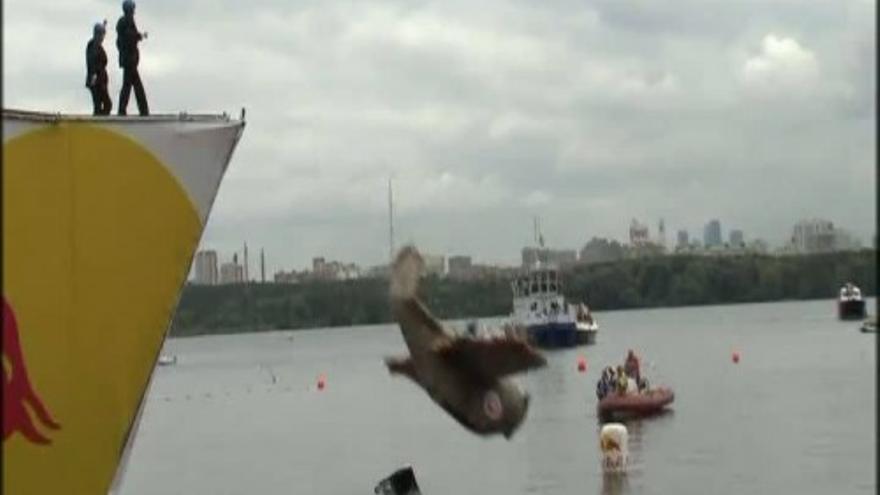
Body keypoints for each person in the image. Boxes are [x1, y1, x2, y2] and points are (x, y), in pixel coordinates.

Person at [116, 0, 149, 116]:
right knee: (135, 86)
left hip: (129, 60)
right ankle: (143, 110)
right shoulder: (126, 22)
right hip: (129, 60)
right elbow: (129, 38)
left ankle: (123, 109)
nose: (133, 12)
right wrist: (139, 36)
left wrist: (138, 36)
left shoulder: (125, 22)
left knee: (129, 85)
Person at [85, 22, 112, 115]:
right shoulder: (93, 46)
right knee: (103, 104)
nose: (102, 37)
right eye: (101, 34)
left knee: (101, 105)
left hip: (100, 80)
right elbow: (93, 64)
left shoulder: (95, 46)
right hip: (97, 81)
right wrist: (94, 78)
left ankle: (100, 119)